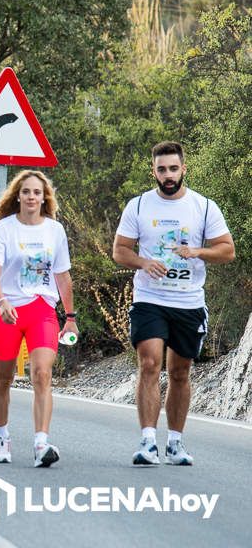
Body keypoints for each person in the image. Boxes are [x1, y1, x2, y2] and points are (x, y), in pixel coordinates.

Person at [113, 141, 234, 466]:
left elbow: (227, 250)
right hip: (150, 299)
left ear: (184, 169)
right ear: (153, 171)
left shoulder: (204, 207)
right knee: (150, 363)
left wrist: (198, 252)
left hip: (188, 302)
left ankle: (176, 444)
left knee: (180, 372)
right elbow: (120, 250)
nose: (168, 175)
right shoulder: (138, 206)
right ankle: (148, 442)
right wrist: (143, 263)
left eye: (173, 168)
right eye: (162, 169)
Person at [0, 170, 77, 468]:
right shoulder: (3, 229)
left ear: (44, 197)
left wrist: (70, 316)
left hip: (41, 310)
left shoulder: (54, 230)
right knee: (2, 381)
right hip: (7, 313)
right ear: (18, 196)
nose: (32, 197)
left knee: (42, 374)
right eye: (26, 192)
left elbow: (62, 276)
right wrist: (2, 300)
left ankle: (41, 443)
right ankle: (2, 437)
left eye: (37, 192)